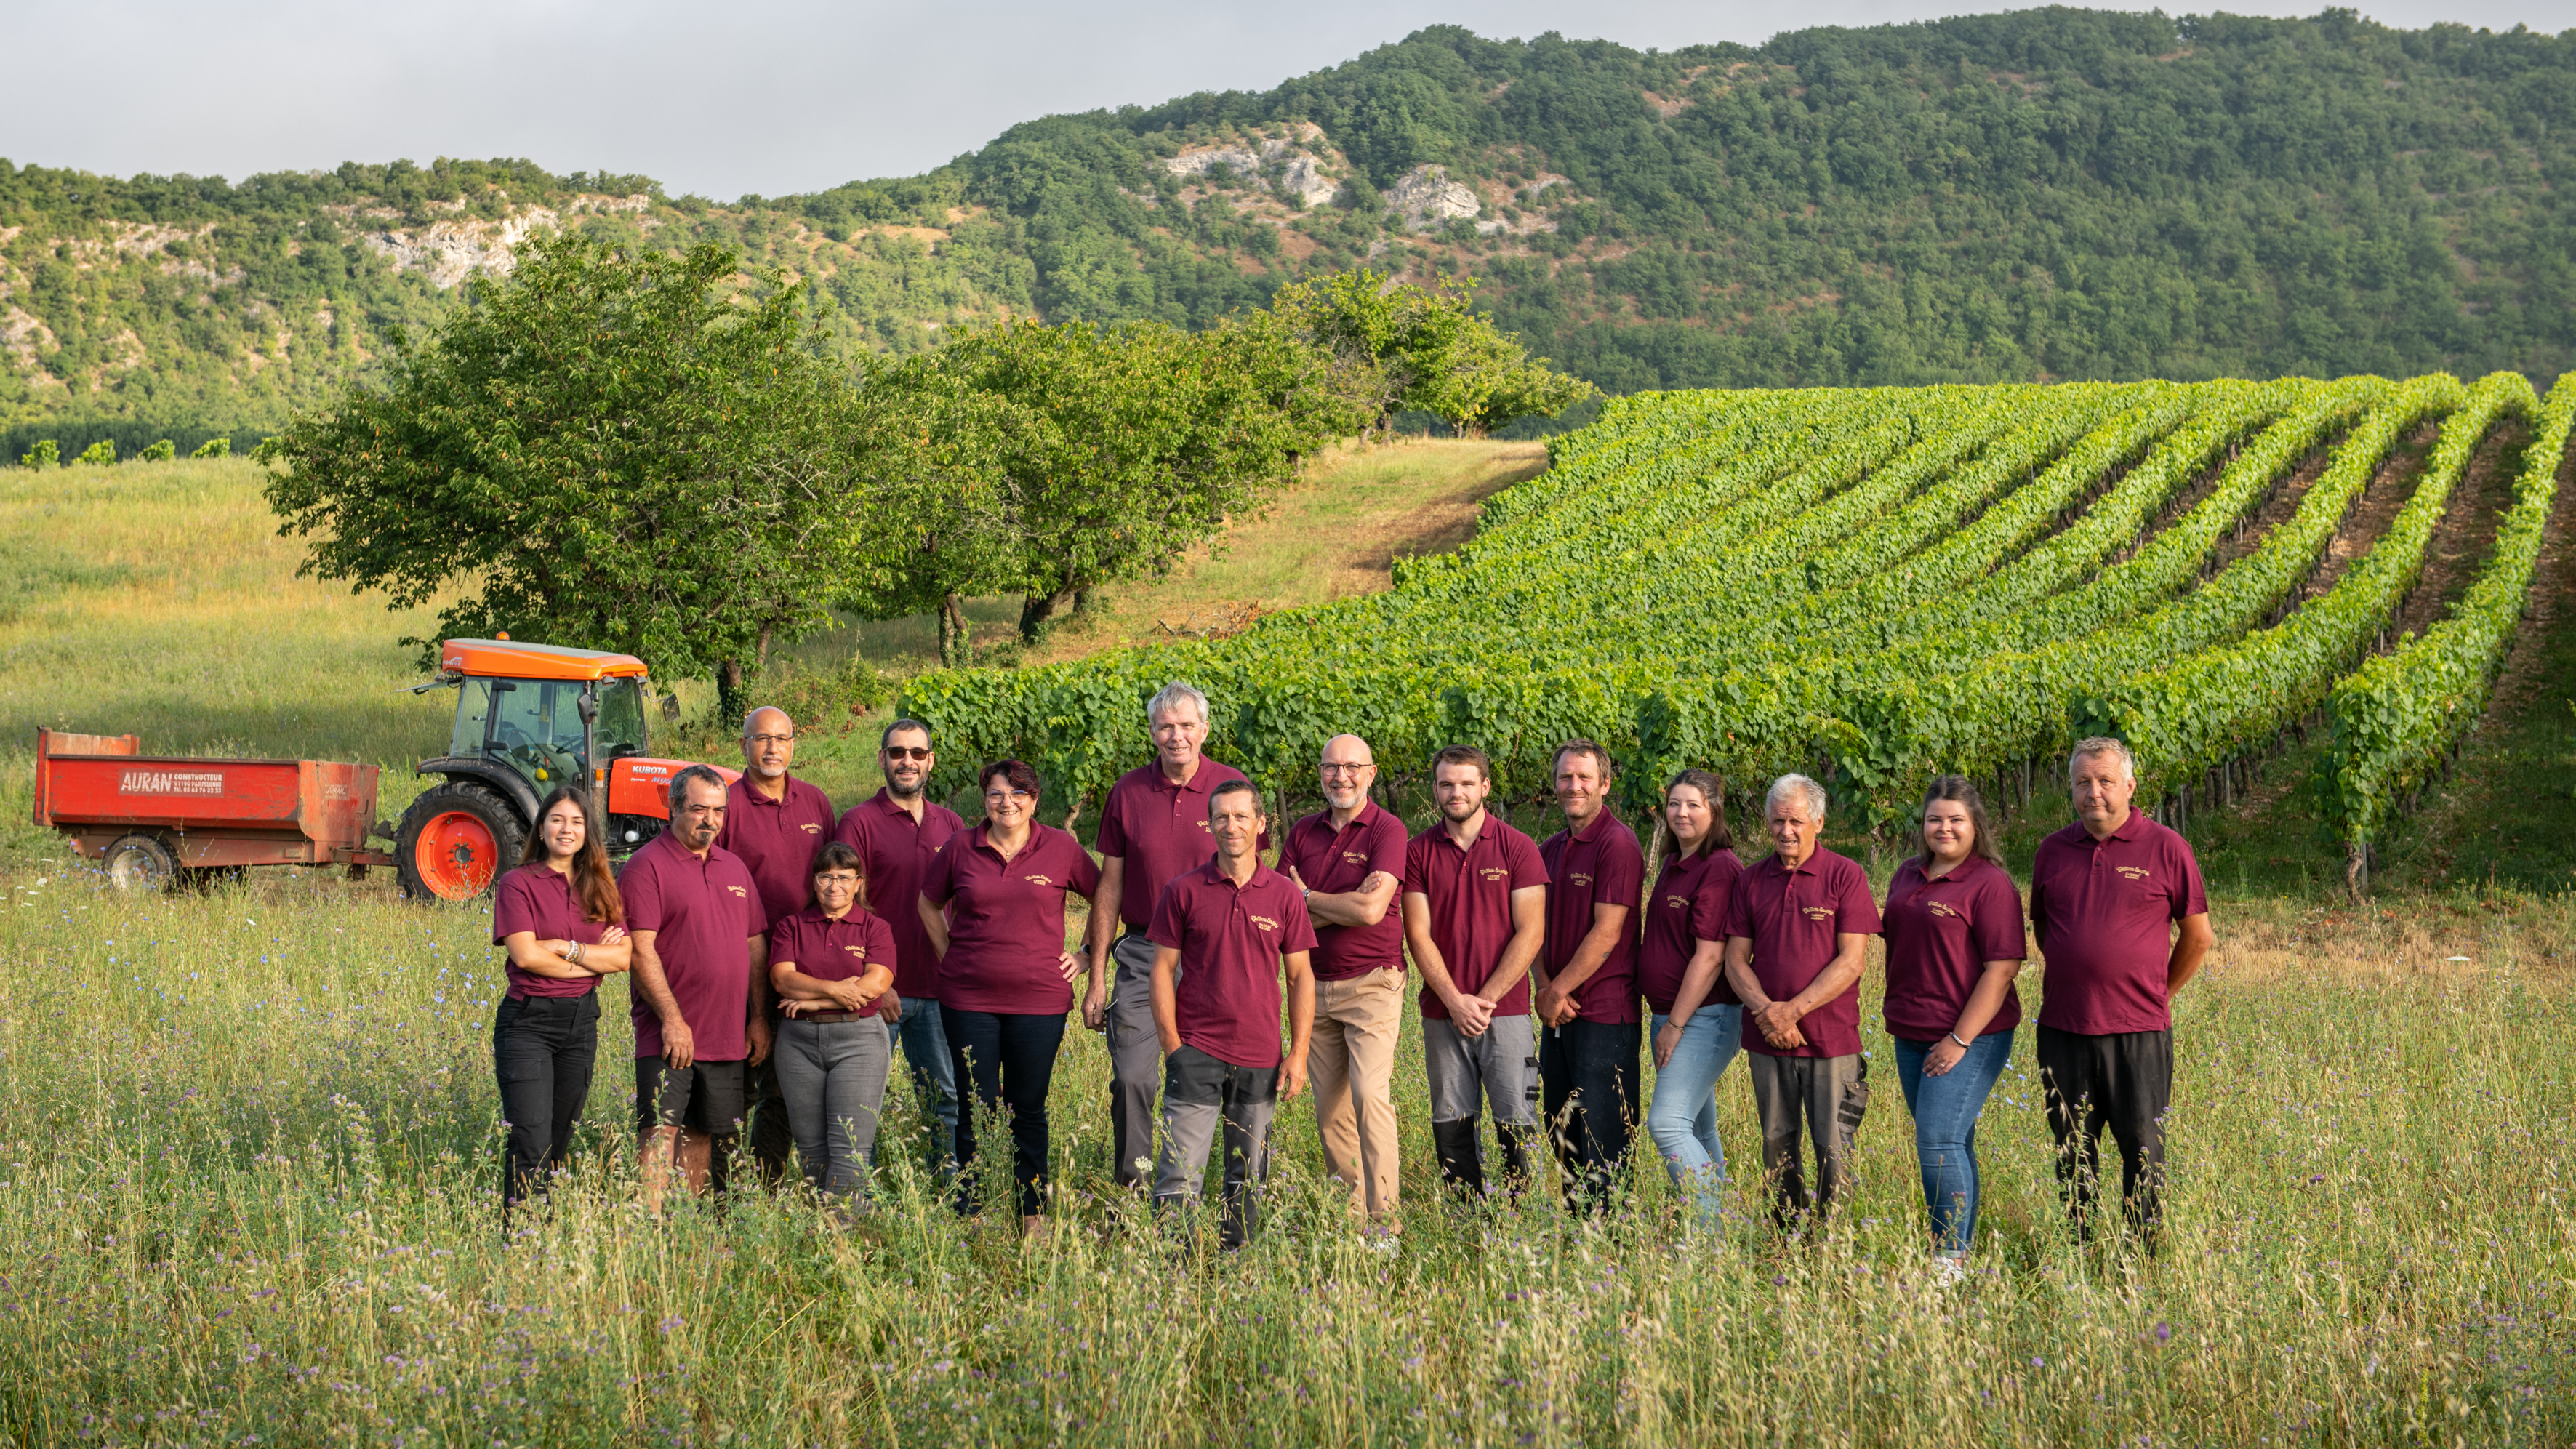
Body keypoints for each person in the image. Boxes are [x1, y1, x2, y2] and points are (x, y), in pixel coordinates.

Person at [2029, 737, 2213, 1251]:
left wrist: (2158, 993)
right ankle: (2081, 1254)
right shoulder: (2051, 851)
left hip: (2138, 1032)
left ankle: (2141, 1259)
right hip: (2063, 1030)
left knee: (2142, 1149)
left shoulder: (2166, 848)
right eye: (2082, 782)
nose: (2094, 793)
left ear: (2129, 786)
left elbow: (2198, 937)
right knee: (2071, 1153)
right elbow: (2046, 931)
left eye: (2105, 781)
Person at [1085, 681, 1260, 1193]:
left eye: (1186, 725)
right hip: (1143, 952)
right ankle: (1136, 1189)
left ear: (1204, 729)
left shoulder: (1232, 787)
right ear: (1152, 731)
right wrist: (1097, 978)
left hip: (1217, 954)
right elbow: (1108, 886)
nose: (1176, 735)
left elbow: (1255, 877)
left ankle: (1224, 1191)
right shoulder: (1127, 792)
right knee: (1134, 1077)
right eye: (1166, 726)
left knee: (1224, 1076)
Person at [920, 760, 1107, 1233]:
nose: (1008, 803)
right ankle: (976, 1210)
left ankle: (1030, 1213)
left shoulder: (1061, 848)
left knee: (1027, 1105)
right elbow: (927, 902)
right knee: (974, 1104)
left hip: (1039, 1001)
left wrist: (1085, 954)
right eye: (997, 794)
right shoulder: (960, 847)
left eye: (1018, 793)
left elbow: (1106, 895)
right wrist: (948, 955)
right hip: (968, 998)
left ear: (1035, 799)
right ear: (983, 800)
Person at [1149, 781, 1319, 1247]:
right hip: (1196, 1051)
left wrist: (1298, 1054)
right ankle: (1173, 1274)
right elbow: (1161, 970)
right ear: (1209, 825)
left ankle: (1236, 1264)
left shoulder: (1284, 895)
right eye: (1221, 817)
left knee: (1247, 1178)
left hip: (1260, 1055)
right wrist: (1173, 1048)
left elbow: (1302, 977)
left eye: (1242, 816)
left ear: (1261, 824)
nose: (1231, 826)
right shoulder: (1183, 891)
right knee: (1179, 1175)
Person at [1882, 775, 2029, 1283]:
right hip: (1909, 1029)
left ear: (1975, 825)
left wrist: (1959, 1039)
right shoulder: (1905, 874)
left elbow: (2001, 967)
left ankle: (1946, 1262)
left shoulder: (1989, 884)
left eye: (1955, 820)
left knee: (1937, 1139)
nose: (1943, 827)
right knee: (1953, 1140)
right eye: (1934, 819)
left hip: (1972, 1034)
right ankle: (1960, 1251)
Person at [1721, 774, 1881, 1229]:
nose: (1786, 830)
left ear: (1819, 822)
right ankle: (1786, 1235)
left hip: (1831, 1040)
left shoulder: (1845, 876)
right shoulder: (1751, 880)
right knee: (1776, 1141)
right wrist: (1768, 1014)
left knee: (1834, 1145)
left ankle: (1834, 1243)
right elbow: (1735, 960)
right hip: (1767, 1038)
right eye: (1777, 821)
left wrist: (1791, 1011)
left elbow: (1852, 962)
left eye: (1796, 820)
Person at [1400, 744, 1548, 1199]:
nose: (1456, 792)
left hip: (1506, 1014)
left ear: (1485, 787)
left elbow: (1531, 933)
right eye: (1446, 784)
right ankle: (1467, 1223)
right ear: (1436, 789)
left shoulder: (1518, 847)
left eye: (1466, 783)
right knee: (1452, 1121)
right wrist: (1455, 1000)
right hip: (1443, 1014)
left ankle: (1526, 1224)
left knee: (1518, 1122)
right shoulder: (1416, 852)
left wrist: (1481, 1001)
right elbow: (1418, 935)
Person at [622, 766, 772, 1212]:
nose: (710, 820)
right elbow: (639, 949)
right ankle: (649, 1230)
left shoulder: (735, 867)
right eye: (699, 809)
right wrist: (672, 1019)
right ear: (673, 808)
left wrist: (758, 1017)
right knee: (660, 1130)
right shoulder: (646, 866)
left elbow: (755, 945)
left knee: (704, 1131)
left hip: (726, 1033)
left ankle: (687, 1227)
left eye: (719, 811)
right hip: (670, 1035)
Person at [1280, 734, 1408, 1227]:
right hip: (1312, 985)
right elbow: (1281, 913)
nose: (1341, 776)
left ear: (1370, 773)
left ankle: (1385, 1224)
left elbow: (1372, 909)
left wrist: (1307, 896)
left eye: (1352, 766)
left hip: (1371, 983)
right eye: (1331, 767)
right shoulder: (1302, 833)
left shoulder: (1387, 830)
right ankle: (1350, 1218)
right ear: (1320, 773)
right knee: (1329, 1110)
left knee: (1368, 1096)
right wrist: (1343, 904)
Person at [713, 705, 838, 1188]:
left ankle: (763, 1184)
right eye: (761, 738)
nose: (771, 748)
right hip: (737, 964)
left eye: (781, 738)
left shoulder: (816, 803)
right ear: (743, 745)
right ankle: (717, 1190)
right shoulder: (726, 805)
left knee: (785, 1084)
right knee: (736, 1079)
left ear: (794, 744)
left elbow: (836, 879)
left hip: (800, 967)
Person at [490, 785, 630, 1213]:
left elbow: (623, 957)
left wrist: (565, 948)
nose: (566, 830)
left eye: (576, 822)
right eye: (557, 820)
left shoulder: (602, 886)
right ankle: (521, 1242)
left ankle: (545, 1234)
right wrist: (593, 961)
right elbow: (527, 955)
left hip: (581, 1023)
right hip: (528, 1023)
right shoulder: (518, 883)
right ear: (542, 826)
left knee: (558, 1138)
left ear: (587, 831)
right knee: (530, 1139)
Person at [835, 718, 967, 1171]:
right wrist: (878, 982)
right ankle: (855, 1196)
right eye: (897, 753)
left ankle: (947, 1187)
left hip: (939, 989)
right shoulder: (858, 823)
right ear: (882, 760)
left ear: (930, 761)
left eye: (916, 753)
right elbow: (848, 909)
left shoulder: (951, 824)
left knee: (944, 1098)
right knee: (863, 1100)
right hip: (878, 992)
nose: (906, 761)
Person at [1532, 740, 1645, 1214]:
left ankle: (1610, 1247)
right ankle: (1578, 1239)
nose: (1572, 786)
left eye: (1583, 777)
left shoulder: (1616, 844)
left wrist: (1557, 989)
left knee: (1603, 1137)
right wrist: (1543, 987)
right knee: (1560, 1129)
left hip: (1603, 1015)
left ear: (1604, 783)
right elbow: (1531, 927)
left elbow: (1607, 931)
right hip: (1557, 1014)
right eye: (1564, 777)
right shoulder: (1550, 848)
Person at [1641, 768, 1744, 1233]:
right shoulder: (1674, 861)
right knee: (1700, 1130)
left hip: (1703, 1018)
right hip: (1671, 1015)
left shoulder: (1719, 867)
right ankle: (1722, 1233)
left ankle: (1707, 1236)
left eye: (1694, 805)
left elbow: (1710, 957)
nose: (1681, 813)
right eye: (1675, 804)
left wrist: (1675, 1024)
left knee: (1666, 1124)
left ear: (1714, 811)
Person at [768, 841, 897, 1209]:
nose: (834, 886)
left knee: (849, 1143)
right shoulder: (791, 926)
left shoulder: (875, 928)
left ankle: (845, 1229)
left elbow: (875, 986)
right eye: (826, 877)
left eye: (844, 878)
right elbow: (782, 980)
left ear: (859, 883)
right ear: (814, 882)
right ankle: (819, 1228)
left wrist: (814, 1000)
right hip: (798, 1044)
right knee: (810, 1146)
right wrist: (835, 990)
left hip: (858, 1040)